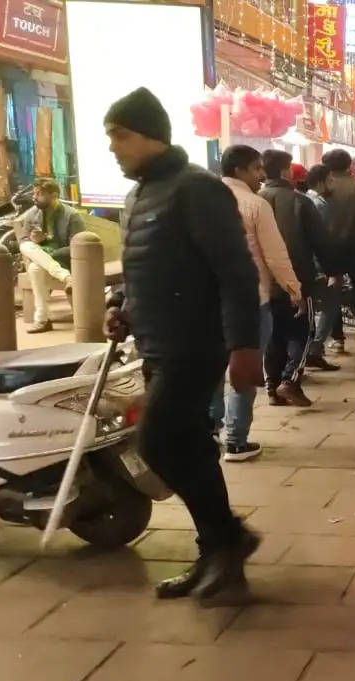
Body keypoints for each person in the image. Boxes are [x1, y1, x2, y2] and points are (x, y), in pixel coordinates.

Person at [102, 87, 262, 603]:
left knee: (156, 441)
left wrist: (244, 346)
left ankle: (228, 539)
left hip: (195, 344)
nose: (113, 147)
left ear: (151, 135)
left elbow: (236, 272)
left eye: (121, 135)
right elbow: (144, 266)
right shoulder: (139, 195)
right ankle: (219, 554)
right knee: (190, 445)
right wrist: (122, 308)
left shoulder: (196, 188)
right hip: (156, 344)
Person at [215, 145, 301, 461]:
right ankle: (236, 441)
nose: (261, 175)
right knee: (245, 370)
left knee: (214, 368)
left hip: (208, 303)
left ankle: (211, 430)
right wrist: (293, 288)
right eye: (255, 169)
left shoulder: (203, 201)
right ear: (239, 170)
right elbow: (275, 255)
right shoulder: (255, 204)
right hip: (251, 301)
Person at [259, 149, 335, 406]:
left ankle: (272, 387)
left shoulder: (256, 199)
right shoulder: (300, 202)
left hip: (265, 283)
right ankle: (290, 380)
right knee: (302, 332)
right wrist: (332, 270)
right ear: (285, 170)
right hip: (298, 279)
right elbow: (320, 242)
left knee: (274, 334)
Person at [322, 149, 355, 352]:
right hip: (354, 246)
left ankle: (337, 338)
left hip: (328, 248)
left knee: (332, 292)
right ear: (349, 165)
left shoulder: (323, 188)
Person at [17, 178, 86, 333]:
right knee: (25, 246)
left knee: (35, 267)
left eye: (39, 194)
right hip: (46, 261)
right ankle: (66, 278)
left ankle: (42, 320)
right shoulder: (31, 215)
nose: (34, 197)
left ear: (54, 195)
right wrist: (35, 240)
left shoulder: (71, 215)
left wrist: (50, 250)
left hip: (64, 260)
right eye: (34, 193)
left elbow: (78, 246)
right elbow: (23, 240)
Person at [303, 165, 343, 371]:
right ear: (319, 182)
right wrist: (332, 271)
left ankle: (310, 350)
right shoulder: (320, 205)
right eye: (330, 180)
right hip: (319, 266)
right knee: (330, 305)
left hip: (306, 265)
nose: (333, 184)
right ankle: (314, 349)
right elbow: (324, 241)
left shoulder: (303, 200)